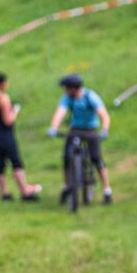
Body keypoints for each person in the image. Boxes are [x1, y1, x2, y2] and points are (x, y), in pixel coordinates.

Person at [47, 73, 112, 204]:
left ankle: (107, 190)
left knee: (96, 158)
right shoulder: (67, 98)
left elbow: (104, 115)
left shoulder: (90, 97)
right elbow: (60, 113)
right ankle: (66, 186)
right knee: (67, 157)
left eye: (67, 88)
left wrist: (104, 129)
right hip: (75, 130)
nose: (65, 91)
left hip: (91, 130)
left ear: (73, 88)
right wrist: (53, 127)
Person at [0, 72, 42, 201]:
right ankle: (25, 191)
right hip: (5, 134)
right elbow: (8, 120)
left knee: (0, 162)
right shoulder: (3, 98)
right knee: (16, 162)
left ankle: (4, 193)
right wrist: (15, 111)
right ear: (0, 84)